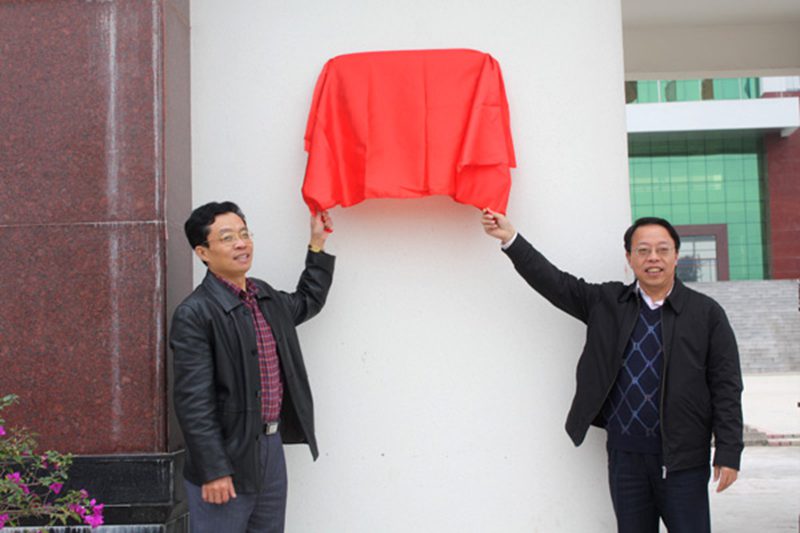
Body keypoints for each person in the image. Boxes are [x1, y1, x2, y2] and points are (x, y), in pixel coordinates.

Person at [481, 210, 743, 533]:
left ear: (676, 256)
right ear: (629, 258)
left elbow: (726, 386)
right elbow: (555, 283)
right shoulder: (607, 303)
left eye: (662, 249)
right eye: (643, 250)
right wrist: (511, 239)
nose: (653, 258)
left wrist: (729, 451)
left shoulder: (706, 314)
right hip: (625, 457)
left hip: (683, 460)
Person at [171, 201, 334, 533]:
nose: (241, 244)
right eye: (228, 237)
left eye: (244, 234)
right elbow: (193, 401)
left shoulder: (264, 297)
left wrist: (317, 244)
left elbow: (307, 301)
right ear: (203, 252)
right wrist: (213, 468)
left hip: (270, 449)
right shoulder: (195, 313)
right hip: (226, 454)